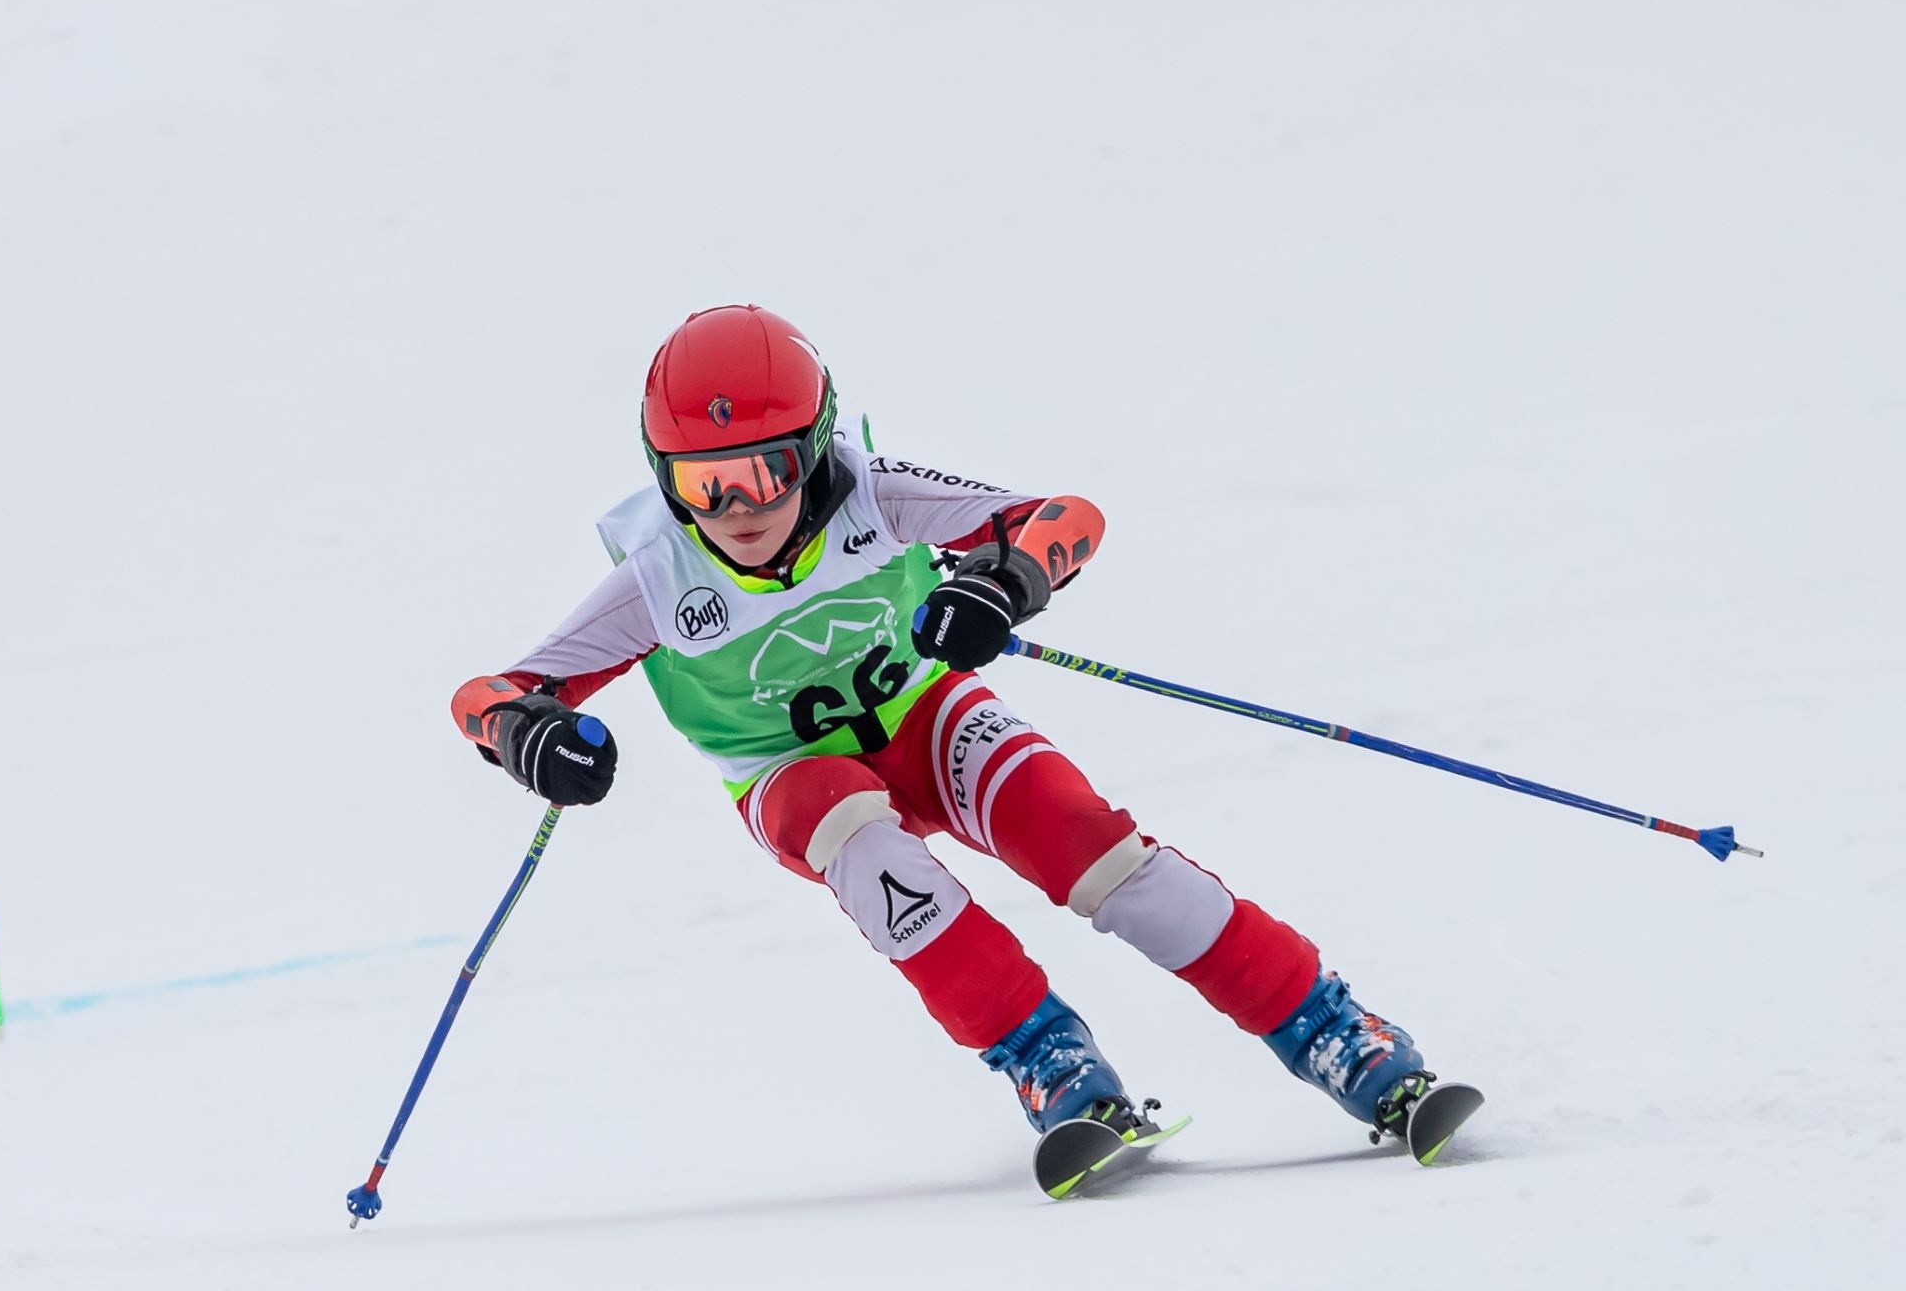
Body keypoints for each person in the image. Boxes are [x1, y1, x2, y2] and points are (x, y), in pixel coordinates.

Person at [449, 304, 1435, 1141]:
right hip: (788, 771)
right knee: (863, 843)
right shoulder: (657, 581)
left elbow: (1064, 517)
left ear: (816, 445)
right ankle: (1047, 1058)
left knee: (1090, 851)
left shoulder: (875, 498)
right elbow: (492, 696)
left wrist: (1004, 580)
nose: (741, 508)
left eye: (768, 469)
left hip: (924, 714)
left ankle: (1330, 1029)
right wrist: (530, 737)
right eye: (705, 483)